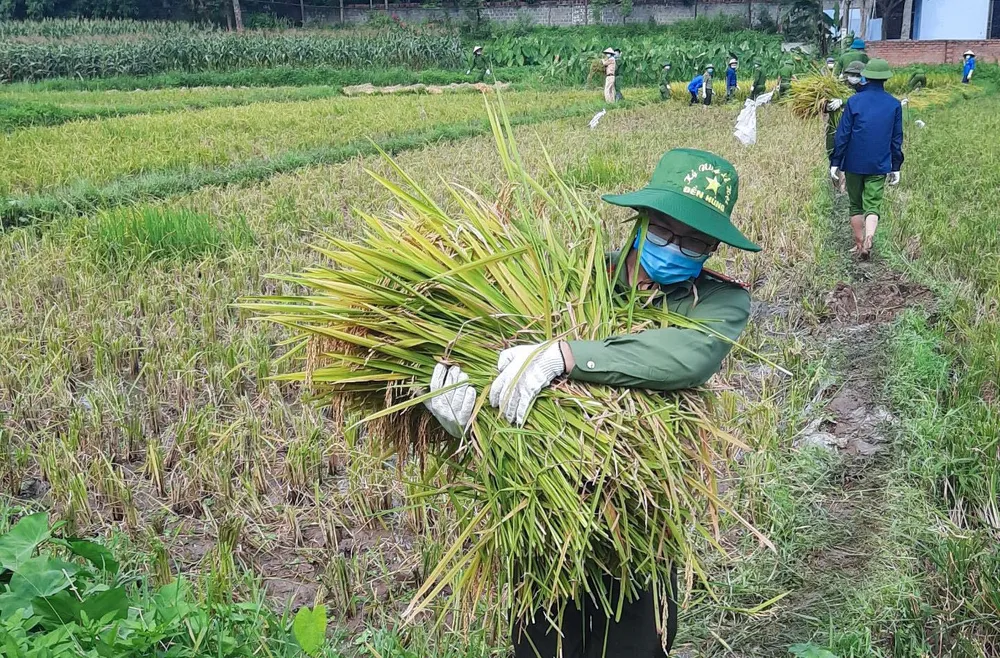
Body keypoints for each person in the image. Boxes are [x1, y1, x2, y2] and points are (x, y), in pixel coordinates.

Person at [424, 147, 760, 658]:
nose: (676, 248)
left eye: (694, 242)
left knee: (634, 647)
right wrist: (466, 414)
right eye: (666, 231)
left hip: (637, 523)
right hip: (539, 507)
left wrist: (565, 354)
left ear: (713, 248)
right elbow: (497, 367)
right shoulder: (567, 280)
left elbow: (687, 357)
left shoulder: (718, 302)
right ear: (640, 220)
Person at [830, 59, 903, 260]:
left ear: (865, 77)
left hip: (853, 161)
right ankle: (870, 237)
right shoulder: (894, 104)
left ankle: (859, 243)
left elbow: (843, 134)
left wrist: (835, 161)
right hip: (879, 162)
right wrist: (896, 166)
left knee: (855, 204)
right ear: (885, 79)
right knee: (873, 204)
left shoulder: (854, 101)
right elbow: (896, 139)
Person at [824, 60, 867, 192]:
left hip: (853, 130)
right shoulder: (834, 87)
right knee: (833, 154)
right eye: (851, 74)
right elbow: (823, 107)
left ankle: (845, 188)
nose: (853, 78)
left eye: (857, 75)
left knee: (848, 158)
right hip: (834, 128)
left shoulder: (864, 90)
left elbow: (864, 102)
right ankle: (837, 187)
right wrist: (827, 105)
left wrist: (843, 102)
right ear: (846, 74)